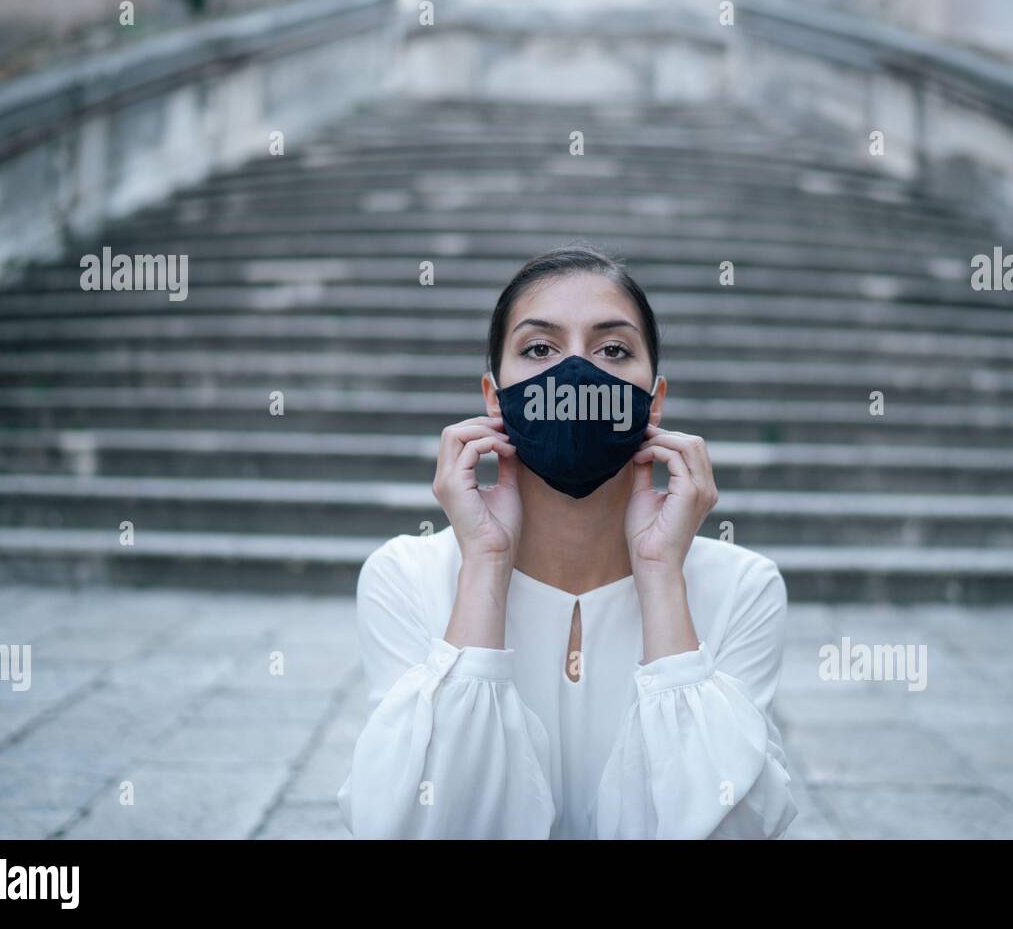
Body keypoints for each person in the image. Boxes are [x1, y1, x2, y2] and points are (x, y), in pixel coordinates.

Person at [337, 245, 799, 838]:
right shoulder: (404, 576)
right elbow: (412, 825)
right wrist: (485, 562)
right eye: (539, 349)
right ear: (493, 396)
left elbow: (730, 826)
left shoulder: (743, 587)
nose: (576, 375)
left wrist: (660, 574)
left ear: (653, 400)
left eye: (612, 349)